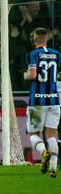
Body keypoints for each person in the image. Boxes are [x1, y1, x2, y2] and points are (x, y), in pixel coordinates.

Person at [24, 28, 61, 178]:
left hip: (37, 100)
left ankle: (43, 152)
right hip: (54, 100)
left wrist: (26, 75)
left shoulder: (32, 54)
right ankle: (53, 168)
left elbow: (32, 75)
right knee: (51, 134)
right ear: (47, 39)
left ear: (34, 40)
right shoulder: (57, 54)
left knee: (33, 133)